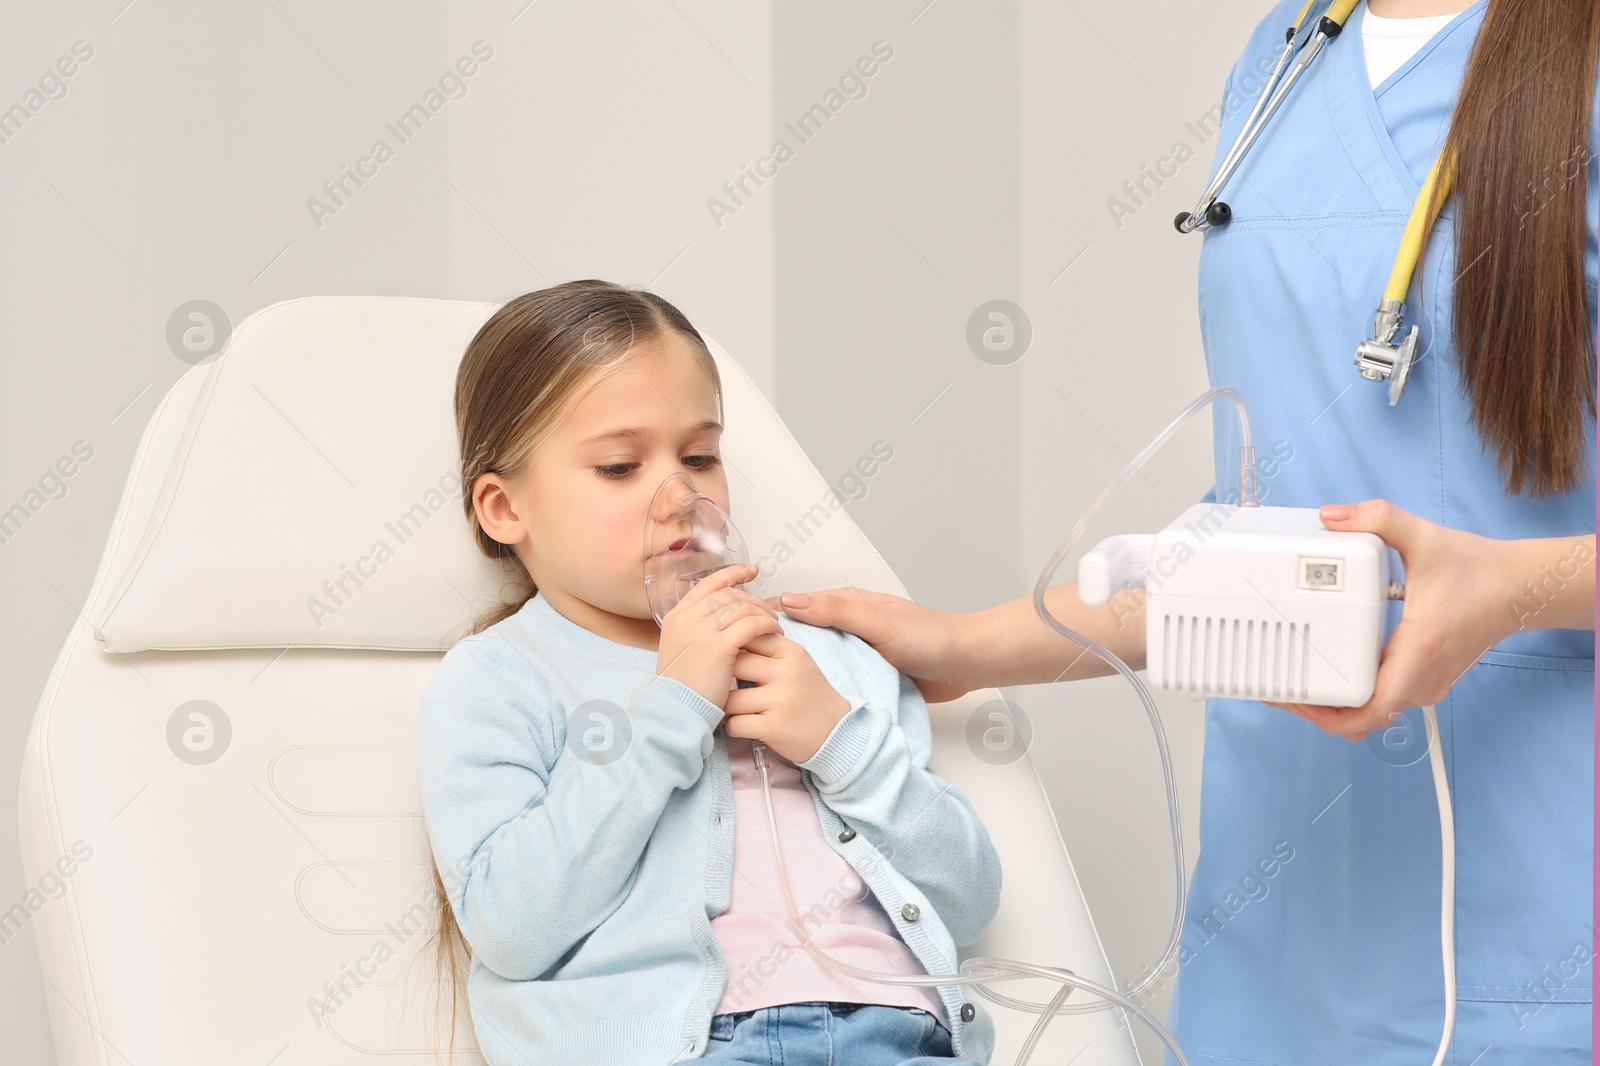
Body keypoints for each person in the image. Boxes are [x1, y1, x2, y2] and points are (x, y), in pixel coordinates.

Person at [771, 1, 1598, 1063]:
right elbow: (1257, 551)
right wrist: (963, 646)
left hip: (1536, 890)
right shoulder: (1292, 46)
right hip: (1282, 894)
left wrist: (1508, 586)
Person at [416, 280, 1002, 1066]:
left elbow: (970, 897)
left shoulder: (830, 660)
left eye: (700, 456)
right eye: (620, 466)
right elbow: (513, 929)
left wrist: (842, 745)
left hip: (897, 1038)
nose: (680, 495)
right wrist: (670, 707)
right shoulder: (500, 678)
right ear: (503, 509)